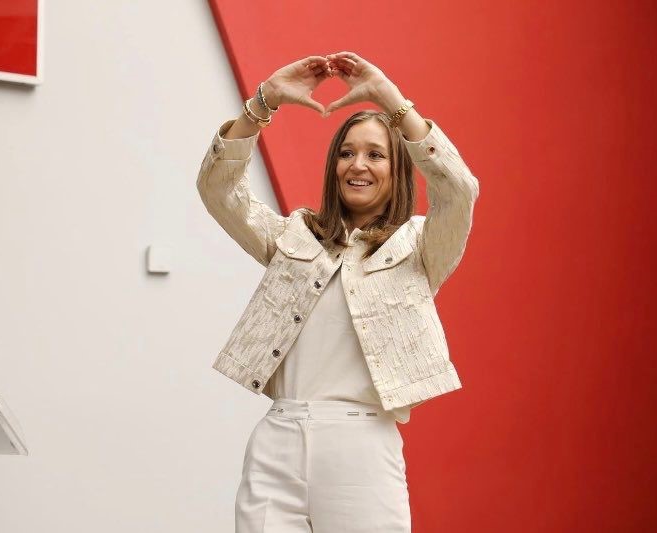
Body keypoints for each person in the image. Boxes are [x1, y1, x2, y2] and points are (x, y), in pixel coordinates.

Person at [196, 51, 479, 533]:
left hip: (361, 448)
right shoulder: (295, 237)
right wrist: (264, 102)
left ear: (398, 168)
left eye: (375, 154)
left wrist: (389, 98)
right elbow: (219, 191)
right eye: (347, 153)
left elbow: (459, 190)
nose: (357, 165)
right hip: (278, 439)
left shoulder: (420, 246)